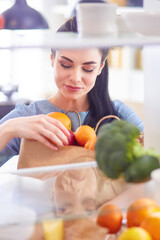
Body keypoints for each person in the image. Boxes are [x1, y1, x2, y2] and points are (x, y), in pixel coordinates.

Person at [0, 16, 143, 167]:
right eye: (66, 65)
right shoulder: (28, 116)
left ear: (100, 67)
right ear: (52, 59)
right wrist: (7, 128)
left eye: (88, 69)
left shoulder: (119, 114)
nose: (75, 78)